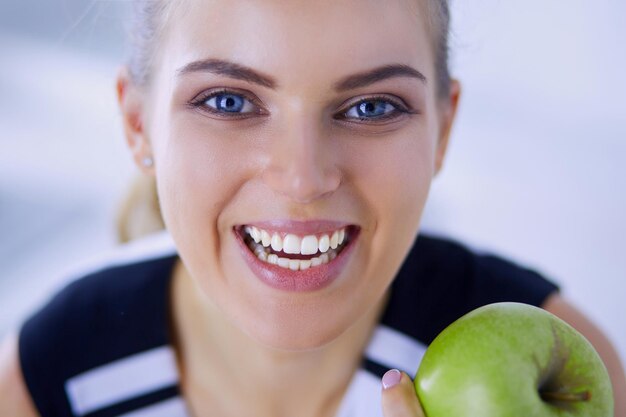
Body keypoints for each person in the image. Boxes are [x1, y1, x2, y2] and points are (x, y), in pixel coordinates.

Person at [1, 0, 624, 416]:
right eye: (227, 102)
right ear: (138, 125)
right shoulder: (46, 377)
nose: (303, 179)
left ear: (443, 129)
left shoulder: (567, 369)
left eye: (373, 107)